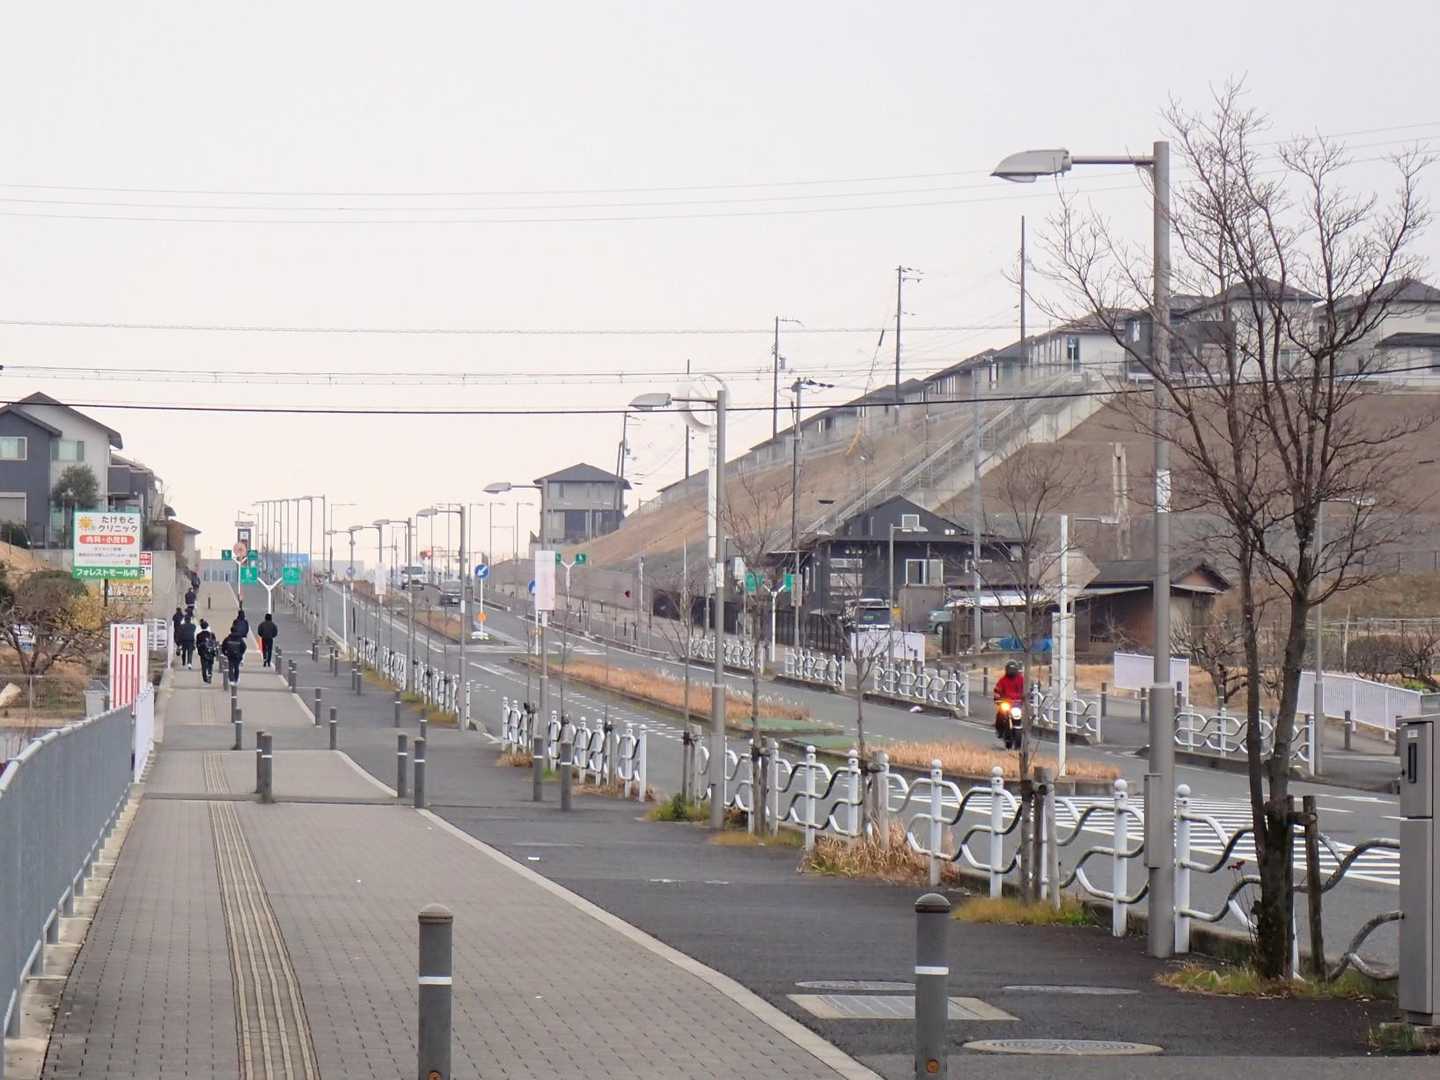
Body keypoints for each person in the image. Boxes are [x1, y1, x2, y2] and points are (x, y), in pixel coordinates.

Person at [994, 660, 1025, 750]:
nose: (1011, 671)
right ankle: (999, 730)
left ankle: (1020, 736)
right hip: (1006, 703)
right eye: (1010, 669)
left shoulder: (1021, 679)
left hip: (1017, 704)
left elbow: (1026, 689)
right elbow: (997, 690)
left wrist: (1027, 696)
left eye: (1013, 669)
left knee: (1022, 717)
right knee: (1000, 715)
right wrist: (997, 698)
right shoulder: (1002, 680)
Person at [195, 619, 218, 684]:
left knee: (204, 666)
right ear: (207, 626)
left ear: (201, 627)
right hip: (211, 652)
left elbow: (197, 645)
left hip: (203, 653)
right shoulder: (212, 634)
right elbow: (215, 643)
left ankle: (205, 678)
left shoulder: (199, 635)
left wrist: (199, 652)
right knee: (210, 665)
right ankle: (210, 675)